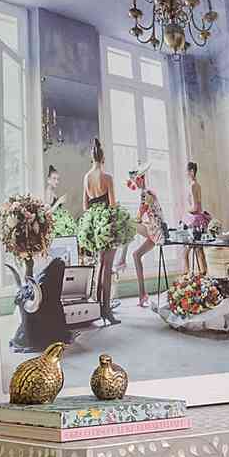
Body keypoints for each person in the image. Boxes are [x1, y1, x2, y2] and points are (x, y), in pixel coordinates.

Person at [84, 139, 121, 326]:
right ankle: (106, 310)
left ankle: (99, 308)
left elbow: (85, 206)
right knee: (108, 267)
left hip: (94, 224)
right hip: (107, 222)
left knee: (100, 265)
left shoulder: (87, 177)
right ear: (103, 157)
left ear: (92, 157)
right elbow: (113, 204)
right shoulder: (108, 178)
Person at [128, 167, 167, 310]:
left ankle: (120, 260)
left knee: (128, 223)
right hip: (155, 230)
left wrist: (137, 221)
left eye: (136, 180)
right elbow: (143, 215)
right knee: (136, 255)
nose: (135, 183)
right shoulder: (147, 193)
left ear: (141, 179)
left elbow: (139, 216)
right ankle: (142, 294)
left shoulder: (146, 193)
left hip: (156, 231)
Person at [185, 159, 210, 279]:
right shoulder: (197, 185)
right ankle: (203, 277)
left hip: (195, 220)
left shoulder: (192, 185)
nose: (186, 173)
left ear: (191, 171)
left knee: (188, 252)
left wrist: (186, 210)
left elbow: (195, 207)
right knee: (199, 251)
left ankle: (188, 278)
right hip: (200, 219)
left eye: (187, 171)